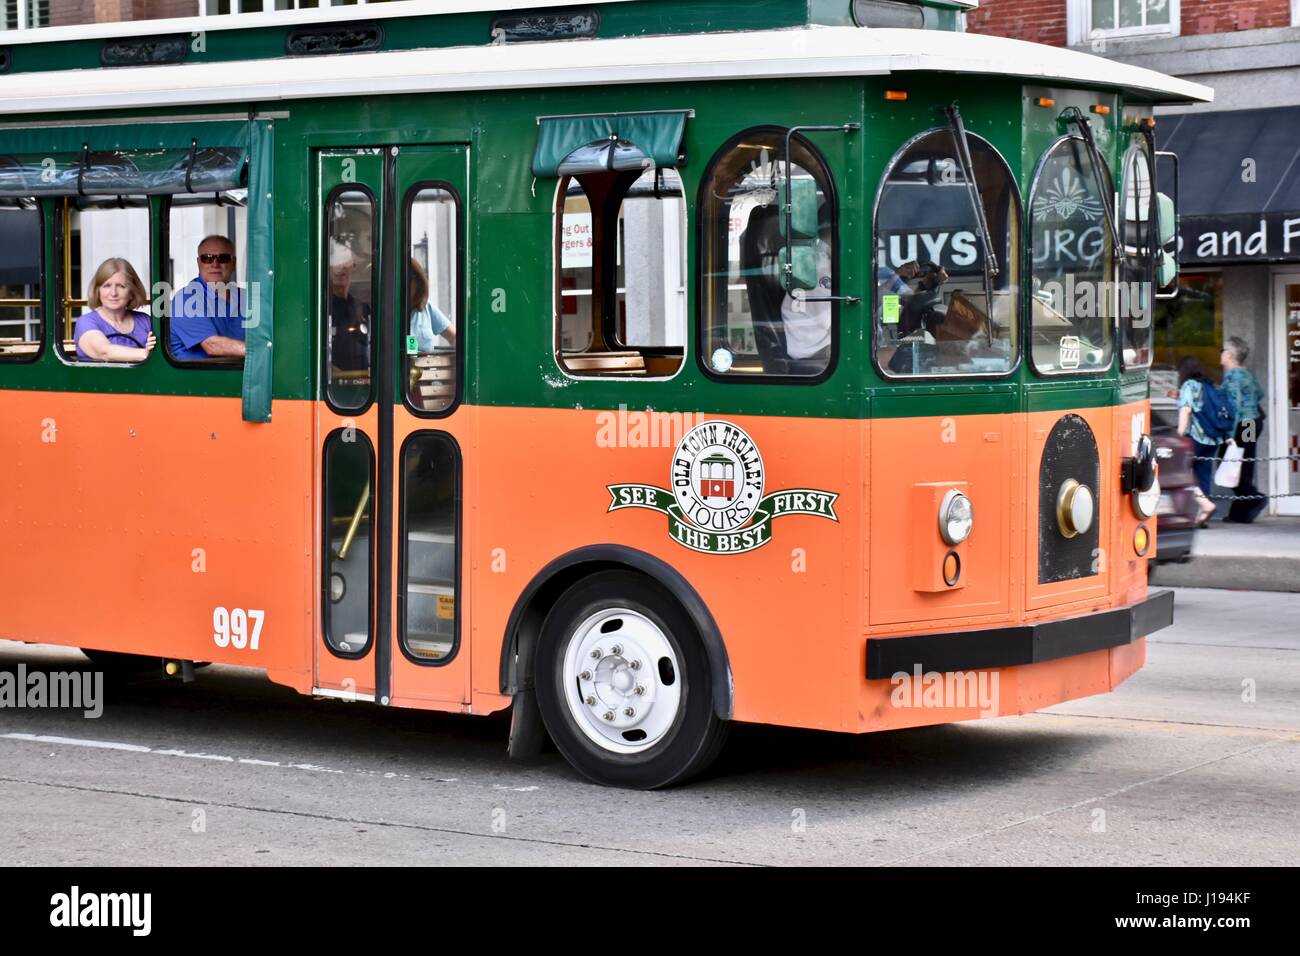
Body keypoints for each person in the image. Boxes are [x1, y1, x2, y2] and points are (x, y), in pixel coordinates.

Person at [168, 235, 247, 361]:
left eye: (223, 258)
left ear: (234, 263)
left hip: (238, 375)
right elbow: (212, 346)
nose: (215, 264)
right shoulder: (186, 299)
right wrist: (261, 351)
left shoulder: (246, 298)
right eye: (207, 258)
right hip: (196, 378)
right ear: (199, 263)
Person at [1220, 336, 1267, 523]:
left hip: (1243, 424)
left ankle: (1254, 498)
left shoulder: (1232, 376)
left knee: (1229, 462)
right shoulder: (1246, 374)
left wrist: (1229, 435)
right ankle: (1240, 513)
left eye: (1223, 351)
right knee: (1243, 465)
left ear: (1230, 355)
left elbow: (1235, 407)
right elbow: (1260, 393)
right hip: (1253, 422)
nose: (1221, 354)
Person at [74, 258, 156, 364]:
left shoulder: (145, 321)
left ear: (132, 291)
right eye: (106, 286)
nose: (113, 293)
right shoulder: (86, 322)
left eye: (121, 286)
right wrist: (145, 354)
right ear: (97, 291)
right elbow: (104, 352)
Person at [1176, 355, 1218, 527]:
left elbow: (1186, 410)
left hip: (1195, 437)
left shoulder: (1188, 385)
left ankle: (1204, 506)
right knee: (1204, 475)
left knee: (1183, 473)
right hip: (1211, 438)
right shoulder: (1207, 385)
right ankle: (1202, 517)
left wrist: (1178, 434)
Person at [329, 245, 370, 371]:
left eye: (345, 260)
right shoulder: (321, 308)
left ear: (353, 266)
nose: (341, 266)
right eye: (337, 260)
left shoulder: (363, 309)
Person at [408, 257, 456, 351]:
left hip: (424, 365)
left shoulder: (426, 308)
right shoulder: (387, 310)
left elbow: (453, 336)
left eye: (410, 279)